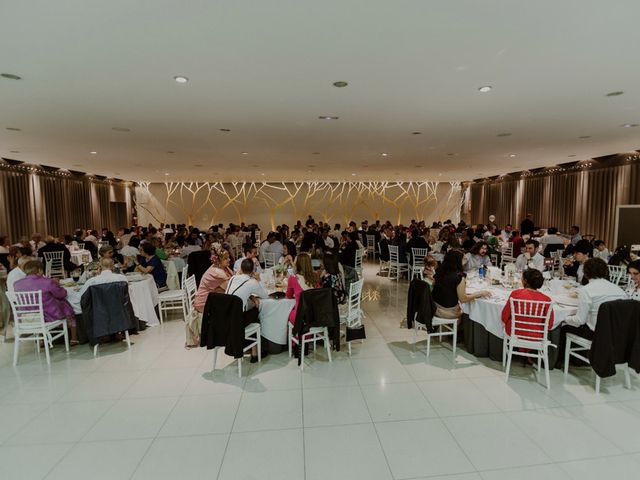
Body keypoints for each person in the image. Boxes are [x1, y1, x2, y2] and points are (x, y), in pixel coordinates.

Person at [13, 260, 78, 343]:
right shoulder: (48, 282)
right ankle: (74, 338)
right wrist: (57, 285)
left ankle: (41, 340)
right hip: (48, 315)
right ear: (39, 270)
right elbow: (61, 294)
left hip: (27, 316)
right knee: (66, 306)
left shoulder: (17, 284)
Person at [562, 258, 627, 340]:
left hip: (596, 334)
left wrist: (564, 318)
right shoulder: (619, 290)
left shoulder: (586, 290)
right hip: (618, 333)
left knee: (563, 327)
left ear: (585, 273)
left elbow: (580, 320)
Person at [225, 258, 269, 362]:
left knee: (252, 309)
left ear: (241, 268)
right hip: (237, 321)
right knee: (256, 311)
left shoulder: (232, 278)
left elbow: (236, 295)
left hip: (226, 317)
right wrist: (258, 279)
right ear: (253, 270)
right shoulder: (252, 282)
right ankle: (256, 351)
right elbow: (265, 295)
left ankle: (253, 351)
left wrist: (251, 297)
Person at [189, 248, 234, 347]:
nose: (229, 260)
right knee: (234, 304)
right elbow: (230, 288)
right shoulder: (217, 272)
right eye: (226, 258)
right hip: (204, 302)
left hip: (213, 297)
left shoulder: (223, 268)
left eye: (229, 257)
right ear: (218, 260)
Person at [432, 250, 490, 319]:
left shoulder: (440, 271)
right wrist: (480, 293)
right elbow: (463, 299)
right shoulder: (458, 276)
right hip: (447, 311)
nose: (465, 261)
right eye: (464, 259)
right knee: (467, 310)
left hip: (434, 306)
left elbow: (438, 286)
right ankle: (463, 328)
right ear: (458, 261)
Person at [501, 268, 554, 338]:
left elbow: (504, 316)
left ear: (525, 281)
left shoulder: (515, 294)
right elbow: (549, 325)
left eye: (522, 278)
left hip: (515, 332)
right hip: (537, 335)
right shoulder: (547, 300)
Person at [286, 253, 317, 326]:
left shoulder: (293, 278)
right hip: (315, 315)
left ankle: (291, 335)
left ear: (298, 265)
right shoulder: (315, 277)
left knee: (285, 313)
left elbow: (288, 296)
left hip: (300, 317)